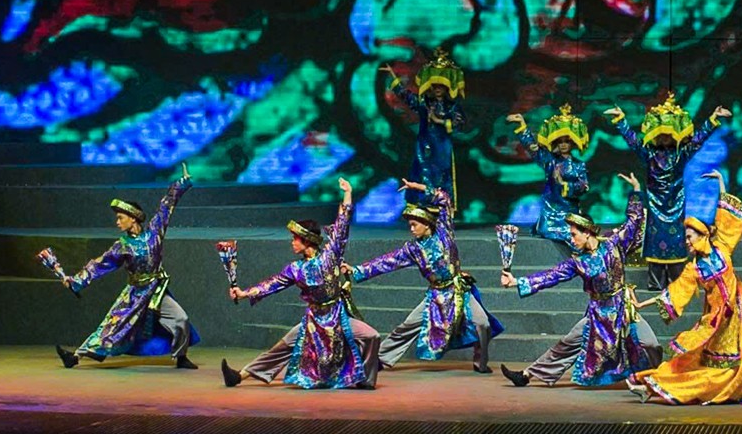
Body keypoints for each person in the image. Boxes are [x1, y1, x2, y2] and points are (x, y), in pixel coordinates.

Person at [497, 172, 662, 387]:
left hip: (623, 310)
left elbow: (634, 221)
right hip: (598, 314)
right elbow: (550, 276)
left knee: (650, 343)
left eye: (574, 234)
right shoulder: (578, 262)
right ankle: (527, 375)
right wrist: (517, 281)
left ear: (588, 233)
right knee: (568, 343)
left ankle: (659, 377)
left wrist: (636, 192)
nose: (571, 239)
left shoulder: (614, 245)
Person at [221, 177, 380, 389]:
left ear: (307, 241)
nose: (292, 242)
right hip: (314, 320)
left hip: (337, 316)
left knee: (372, 335)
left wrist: (348, 194)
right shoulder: (295, 269)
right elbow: (272, 284)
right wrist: (244, 293)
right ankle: (240, 376)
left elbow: (343, 224)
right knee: (283, 346)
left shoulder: (330, 256)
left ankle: (366, 380)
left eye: (295, 238)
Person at [627, 173, 742, 405]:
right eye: (686, 238)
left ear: (704, 235)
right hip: (716, 320)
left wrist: (720, 180)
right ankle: (655, 383)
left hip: (741, 310)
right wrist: (643, 303)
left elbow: (723, 212)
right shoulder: (694, 268)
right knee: (712, 365)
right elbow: (676, 291)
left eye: (690, 237)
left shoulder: (722, 248)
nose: (687, 242)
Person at [54, 163, 199, 370]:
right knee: (111, 326)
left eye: (121, 218)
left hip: (157, 290)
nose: (118, 222)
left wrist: (182, 183)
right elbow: (98, 265)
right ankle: (76, 357)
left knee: (181, 318)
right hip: (135, 293)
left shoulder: (154, 232)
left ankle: (181, 356)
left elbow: (166, 205)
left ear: (133, 219)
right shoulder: (122, 246)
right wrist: (75, 281)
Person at [351, 181, 504, 374]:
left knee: (483, 323)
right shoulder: (413, 249)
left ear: (426, 224)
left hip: (458, 291)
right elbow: (386, 261)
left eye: (415, 225)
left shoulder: (444, 233)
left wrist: (419, 187)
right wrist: (357, 270)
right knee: (407, 326)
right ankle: (379, 358)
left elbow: (444, 200)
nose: (412, 229)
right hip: (436, 295)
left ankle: (480, 360)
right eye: (410, 225)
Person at [607, 90, 733, 290]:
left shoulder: (681, 154)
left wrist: (713, 118)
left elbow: (698, 139)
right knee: (655, 241)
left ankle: (676, 284)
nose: (666, 139)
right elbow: (633, 142)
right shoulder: (648, 154)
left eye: (669, 135)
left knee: (675, 241)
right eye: (662, 135)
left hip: (675, 203)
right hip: (655, 203)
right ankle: (656, 283)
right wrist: (621, 120)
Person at [383, 48, 468, 204]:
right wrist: (393, 76)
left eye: (440, 87)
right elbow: (405, 96)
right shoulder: (424, 103)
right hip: (424, 142)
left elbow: (460, 122)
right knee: (422, 171)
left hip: (441, 144)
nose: (437, 90)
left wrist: (439, 121)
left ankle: (441, 204)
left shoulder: (450, 106)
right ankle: (421, 203)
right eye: (435, 86)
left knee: (441, 173)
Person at [507, 104, 590, 248]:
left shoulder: (578, 165)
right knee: (558, 232)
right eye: (560, 141)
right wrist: (522, 124)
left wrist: (565, 184)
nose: (563, 145)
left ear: (573, 143)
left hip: (570, 211)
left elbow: (584, 186)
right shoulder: (549, 160)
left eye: (567, 141)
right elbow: (532, 148)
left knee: (578, 235)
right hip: (551, 211)